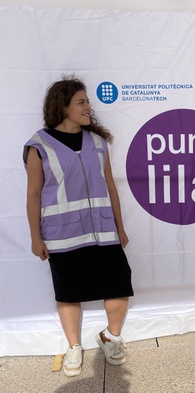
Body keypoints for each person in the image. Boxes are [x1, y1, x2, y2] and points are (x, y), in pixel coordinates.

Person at [23, 76, 134, 376]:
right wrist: (36, 238)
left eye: (87, 102)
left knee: (119, 286)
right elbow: (34, 194)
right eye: (81, 102)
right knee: (69, 293)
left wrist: (119, 227)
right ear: (63, 106)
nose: (88, 107)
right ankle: (74, 347)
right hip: (63, 236)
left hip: (103, 231)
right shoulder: (39, 146)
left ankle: (111, 337)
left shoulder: (97, 142)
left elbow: (110, 186)